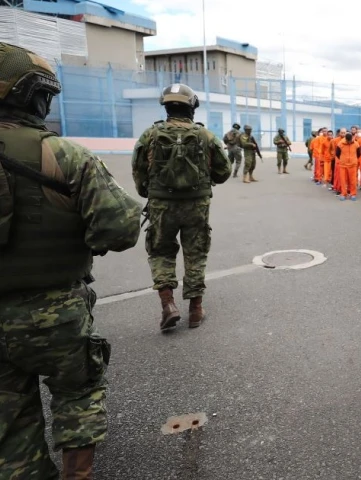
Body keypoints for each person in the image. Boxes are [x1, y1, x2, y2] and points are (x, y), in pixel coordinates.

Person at [0, 42, 142, 479]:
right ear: (30, 96)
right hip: (56, 310)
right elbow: (120, 229)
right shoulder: (65, 155)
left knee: (10, 420)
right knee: (77, 392)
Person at [132, 83, 230, 331]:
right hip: (196, 205)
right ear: (192, 107)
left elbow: (139, 170)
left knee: (161, 252)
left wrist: (149, 192)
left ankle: (168, 305)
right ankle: (195, 310)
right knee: (195, 253)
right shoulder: (206, 136)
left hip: (161, 205)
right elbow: (223, 171)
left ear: (166, 106)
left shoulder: (150, 135)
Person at [335, 132, 361, 201]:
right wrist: (343, 159)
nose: (349, 142)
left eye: (350, 140)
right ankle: (343, 194)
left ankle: (353, 194)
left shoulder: (356, 144)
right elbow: (337, 154)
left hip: (353, 165)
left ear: (352, 139)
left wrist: (353, 159)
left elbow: (359, 153)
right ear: (345, 139)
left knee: (353, 180)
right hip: (343, 165)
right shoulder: (340, 144)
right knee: (343, 180)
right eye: (348, 140)